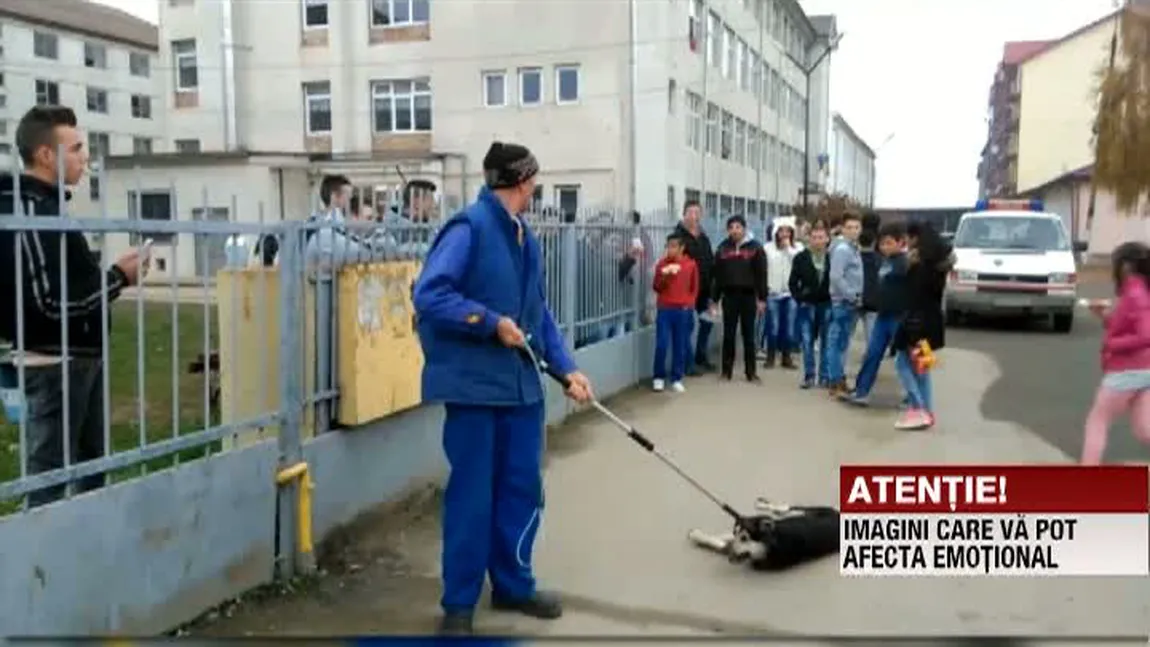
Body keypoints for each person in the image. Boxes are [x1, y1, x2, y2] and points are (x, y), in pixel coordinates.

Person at [412, 141, 594, 636]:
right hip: (475, 390)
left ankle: (514, 584)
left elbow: (539, 316)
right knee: (473, 494)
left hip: (520, 391)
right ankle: (459, 604)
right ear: (523, 181)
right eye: (533, 180)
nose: (535, 188)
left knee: (521, 490)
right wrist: (488, 322)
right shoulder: (469, 228)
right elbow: (429, 294)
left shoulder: (523, 237)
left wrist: (567, 368)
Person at [0, 105, 143, 507]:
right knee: (48, 480)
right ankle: (35, 565)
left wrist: (114, 279)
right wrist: (117, 278)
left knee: (89, 474)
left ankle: (84, 555)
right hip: (53, 365)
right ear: (46, 155)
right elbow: (47, 305)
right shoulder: (26, 213)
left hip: (80, 359)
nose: (85, 157)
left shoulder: (49, 207)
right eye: (77, 148)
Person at [1080, 241, 1150, 464]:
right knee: (1144, 430)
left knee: (1097, 421)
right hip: (1144, 371)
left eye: (1117, 263)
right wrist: (1105, 316)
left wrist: (1113, 345)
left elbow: (1145, 334)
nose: (1114, 268)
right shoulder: (1137, 291)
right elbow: (1129, 325)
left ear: (1127, 266)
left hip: (1127, 370)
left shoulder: (1136, 294)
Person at [891, 222, 953, 431]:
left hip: (916, 322)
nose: (906, 242)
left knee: (902, 362)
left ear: (915, 238)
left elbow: (914, 296)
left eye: (907, 237)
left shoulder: (920, 265)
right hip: (931, 321)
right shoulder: (939, 263)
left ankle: (919, 408)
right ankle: (927, 411)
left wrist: (909, 326)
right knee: (922, 369)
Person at [842, 223, 909, 406]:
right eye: (882, 243)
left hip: (899, 317)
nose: (885, 247)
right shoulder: (885, 261)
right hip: (883, 316)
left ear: (900, 242)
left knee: (906, 358)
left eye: (889, 243)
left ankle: (914, 395)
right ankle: (862, 391)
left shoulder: (905, 263)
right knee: (872, 353)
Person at [711, 215, 768, 382]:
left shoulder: (756, 248)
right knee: (728, 335)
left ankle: (751, 373)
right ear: (728, 230)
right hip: (729, 296)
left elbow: (761, 274)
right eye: (731, 227)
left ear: (744, 228)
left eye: (738, 227)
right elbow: (717, 276)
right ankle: (726, 371)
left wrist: (762, 298)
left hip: (748, 296)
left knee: (748, 335)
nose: (735, 230)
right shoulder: (723, 248)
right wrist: (715, 299)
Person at [651, 233, 698, 393]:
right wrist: (665, 277)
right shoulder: (662, 264)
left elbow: (694, 288)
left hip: (682, 310)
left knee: (680, 345)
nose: (670, 249)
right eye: (668, 246)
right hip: (665, 309)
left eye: (673, 246)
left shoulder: (690, 264)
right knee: (662, 344)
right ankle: (658, 377)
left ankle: (677, 377)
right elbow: (656, 287)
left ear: (681, 248)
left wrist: (689, 305)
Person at [673, 200, 716, 375]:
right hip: (687, 290)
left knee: (707, 322)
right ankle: (687, 364)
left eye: (697, 212)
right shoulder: (678, 237)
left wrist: (713, 289)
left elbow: (711, 262)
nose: (694, 216)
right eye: (690, 212)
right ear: (684, 214)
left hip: (704, 289)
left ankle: (701, 356)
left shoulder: (703, 236)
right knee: (687, 327)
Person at [789, 222, 832, 389]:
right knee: (807, 341)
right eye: (814, 237)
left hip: (827, 304)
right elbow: (793, 282)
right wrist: (800, 297)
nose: (817, 241)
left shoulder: (832, 257)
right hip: (807, 305)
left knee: (826, 341)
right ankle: (809, 375)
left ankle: (824, 376)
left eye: (821, 237)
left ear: (827, 239)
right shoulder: (801, 258)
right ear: (809, 239)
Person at [825, 212, 864, 397]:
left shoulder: (852, 248)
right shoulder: (842, 250)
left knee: (842, 343)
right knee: (837, 342)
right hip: (843, 302)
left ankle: (838, 379)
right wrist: (851, 295)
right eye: (849, 227)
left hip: (850, 302)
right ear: (843, 228)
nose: (854, 231)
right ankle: (835, 380)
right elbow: (835, 276)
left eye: (857, 227)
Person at [762, 219, 799, 369]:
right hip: (773, 293)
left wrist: (788, 248)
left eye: (788, 231)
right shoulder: (767, 248)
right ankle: (770, 356)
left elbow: (798, 262)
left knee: (789, 328)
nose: (784, 234)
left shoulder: (797, 248)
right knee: (773, 328)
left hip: (790, 294)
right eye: (781, 230)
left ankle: (786, 357)